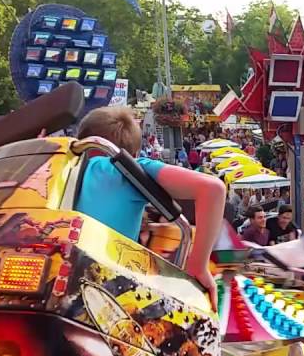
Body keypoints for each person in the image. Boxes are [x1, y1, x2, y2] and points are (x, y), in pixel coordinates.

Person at [74, 108, 275, 356]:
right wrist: (198, 267)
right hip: (111, 296)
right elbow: (212, 189)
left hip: (58, 296)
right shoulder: (123, 168)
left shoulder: (59, 170)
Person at [73, 106, 222, 304]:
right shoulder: (127, 170)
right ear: (132, 154)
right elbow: (213, 189)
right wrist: (198, 265)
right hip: (103, 291)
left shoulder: (53, 165)